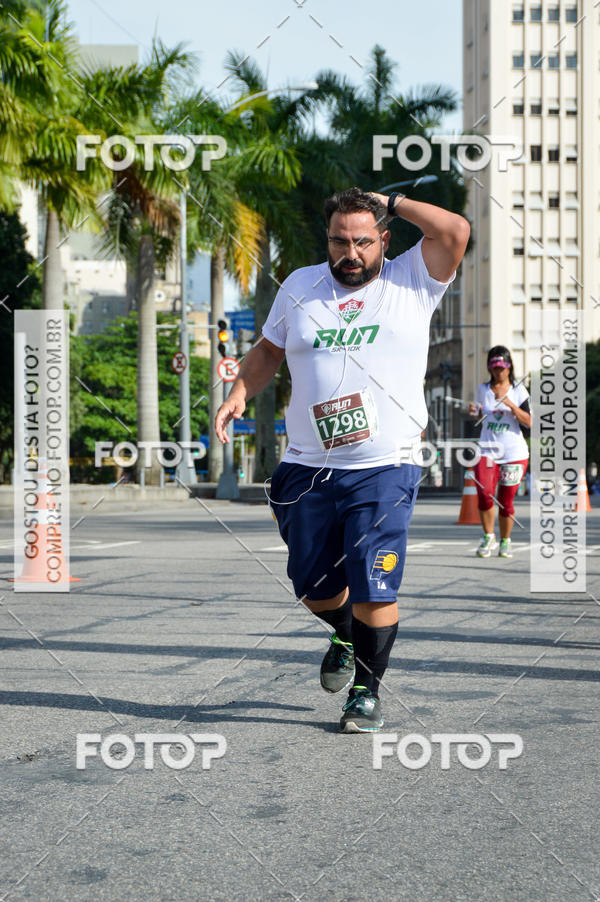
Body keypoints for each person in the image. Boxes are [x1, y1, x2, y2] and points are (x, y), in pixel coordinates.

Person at [216, 187, 469, 732]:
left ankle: (365, 693)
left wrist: (391, 199)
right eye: (338, 241)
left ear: (383, 239)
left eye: (362, 242)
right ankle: (346, 636)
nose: (349, 254)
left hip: (385, 463)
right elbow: (268, 351)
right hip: (307, 465)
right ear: (326, 239)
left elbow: (454, 232)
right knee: (313, 585)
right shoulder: (300, 286)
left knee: (373, 581)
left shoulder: (412, 280)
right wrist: (241, 390)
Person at [468, 346, 532, 559]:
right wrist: (474, 412)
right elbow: (479, 419)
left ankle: (506, 541)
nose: (499, 372)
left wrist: (510, 404)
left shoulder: (519, 390)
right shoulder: (483, 390)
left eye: (502, 367)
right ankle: (488, 536)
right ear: (489, 368)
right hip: (487, 450)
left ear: (509, 366)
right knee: (484, 493)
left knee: (506, 501)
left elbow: (530, 422)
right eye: (495, 368)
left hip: (514, 453)